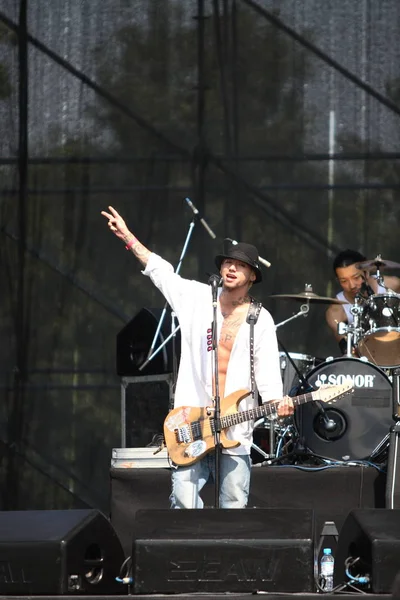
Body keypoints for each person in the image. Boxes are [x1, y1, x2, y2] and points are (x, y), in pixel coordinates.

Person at [101, 205, 293, 509]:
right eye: (227, 262)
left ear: (252, 275)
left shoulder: (261, 320)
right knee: (183, 502)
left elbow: (268, 380)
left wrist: (278, 405)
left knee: (233, 506)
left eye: (239, 265)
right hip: (191, 423)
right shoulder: (198, 299)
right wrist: (128, 237)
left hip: (235, 429)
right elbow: (160, 271)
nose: (231, 268)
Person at [325, 249, 400, 354]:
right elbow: (349, 350)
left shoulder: (392, 285)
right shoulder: (336, 311)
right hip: (367, 360)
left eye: (356, 277)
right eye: (344, 281)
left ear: (367, 272)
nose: (351, 285)